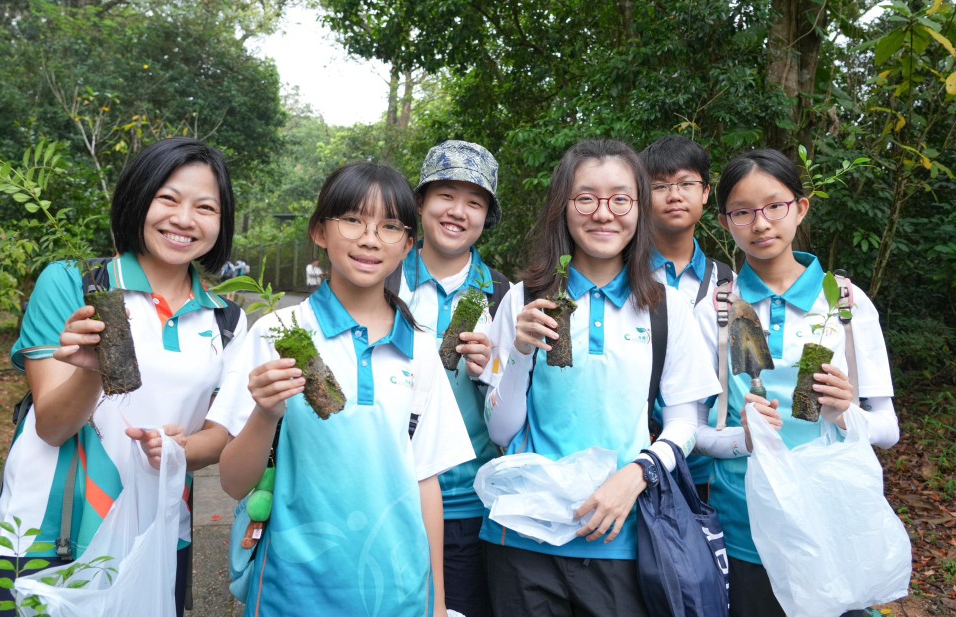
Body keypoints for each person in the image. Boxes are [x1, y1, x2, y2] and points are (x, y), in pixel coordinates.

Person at [0, 138, 245, 617]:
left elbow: (217, 438)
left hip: (159, 528)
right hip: (50, 530)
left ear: (222, 221)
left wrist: (178, 448)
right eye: (168, 198)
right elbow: (52, 426)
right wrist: (91, 371)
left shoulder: (227, 320)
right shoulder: (72, 284)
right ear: (137, 197)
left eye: (205, 207)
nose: (185, 219)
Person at [209, 162, 475, 617]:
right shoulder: (277, 332)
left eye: (390, 227)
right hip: (292, 591)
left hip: (398, 592)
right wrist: (266, 413)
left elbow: (426, 481)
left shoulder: (421, 348)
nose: (370, 239)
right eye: (352, 219)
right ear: (319, 231)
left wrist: (436, 602)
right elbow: (234, 483)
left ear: (409, 244)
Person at [481, 139, 721, 616]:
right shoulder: (524, 298)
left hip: (622, 536)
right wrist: (521, 350)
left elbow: (686, 423)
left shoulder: (665, 307)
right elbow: (500, 429)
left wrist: (637, 475)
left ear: (639, 209)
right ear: (563, 208)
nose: (603, 213)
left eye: (620, 199)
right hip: (524, 535)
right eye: (586, 198)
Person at [698, 149, 900, 617]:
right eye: (743, 212)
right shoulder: (719, 308)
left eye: (775, 206)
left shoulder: (844, 302)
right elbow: (697, 434)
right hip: (746, 525)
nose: (761, 223)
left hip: (833, 518)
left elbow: (888, 430)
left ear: (800, 208)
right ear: (726, 222)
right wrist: (744, 438)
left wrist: (847, 412)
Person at [395, 140, 509, 617]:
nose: (457, 212)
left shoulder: (505, 295)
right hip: (388, 498)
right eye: (445, 195)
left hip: (469, 506)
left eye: (474, 202)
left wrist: (492, 374)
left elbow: (520, 403)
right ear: (420, 203)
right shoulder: (382, 279)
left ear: (486, 217)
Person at [641, 135, 733, 501]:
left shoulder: (726, 282)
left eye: (686, 184)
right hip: (639, 459)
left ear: (706, 193)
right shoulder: (623, 278)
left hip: (709, 468)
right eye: (660, 186)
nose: (674, 195)